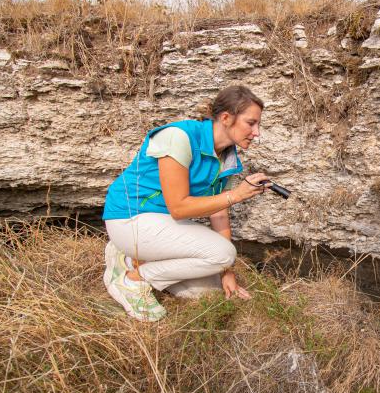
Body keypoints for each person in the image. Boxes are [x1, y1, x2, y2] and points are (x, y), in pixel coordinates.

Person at [101, 85, 270, 321]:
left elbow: (219, 213)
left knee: (205, 292)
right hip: (130, 217)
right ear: (226, 118)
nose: (256, 132)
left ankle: (130, 258)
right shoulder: (179, 137)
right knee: (222, 254)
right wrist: (237, 195)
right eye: (251, 123)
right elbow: (179, 208)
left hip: (162, 226)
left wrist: (227, 272)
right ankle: (133, 280)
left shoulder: (228, 157)